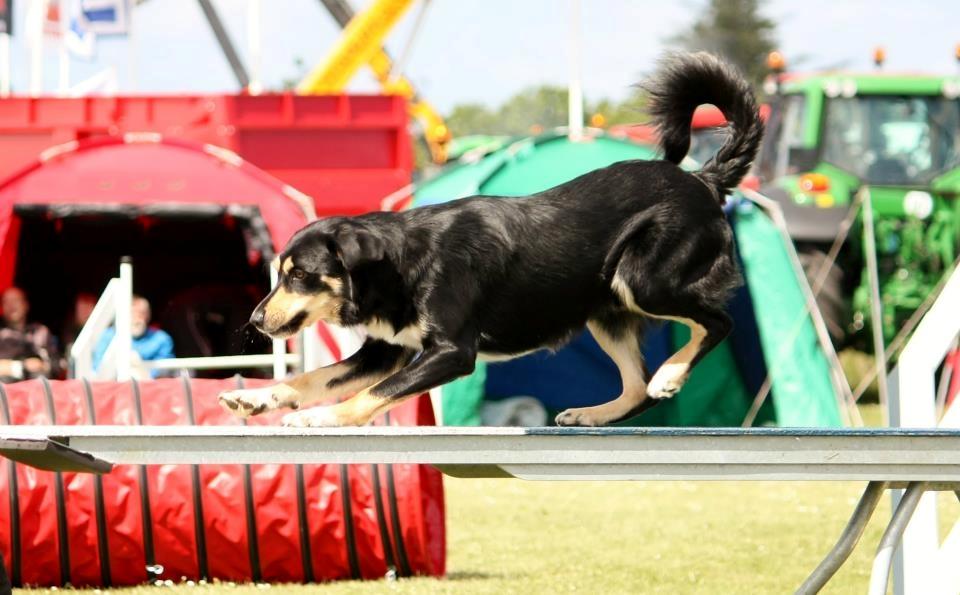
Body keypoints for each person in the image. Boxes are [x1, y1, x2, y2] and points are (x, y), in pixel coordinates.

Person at [92, 295, 175, 379]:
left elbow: (164, 370)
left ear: (148, 315)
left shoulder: (161, 339)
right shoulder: (108, 336)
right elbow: (98, 366)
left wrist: (140, 368)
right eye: (133, 313)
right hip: (114, 382)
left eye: (141, 313)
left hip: (148, 383)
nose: (137, 318)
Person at [0, 286, 62, 382]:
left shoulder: (41, 331)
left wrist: (42, 365)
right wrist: (22, 366)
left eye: (16, 300)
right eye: (6, 302)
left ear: (26, 305)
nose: (11, 305)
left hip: (37, 385)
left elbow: (57, 364)